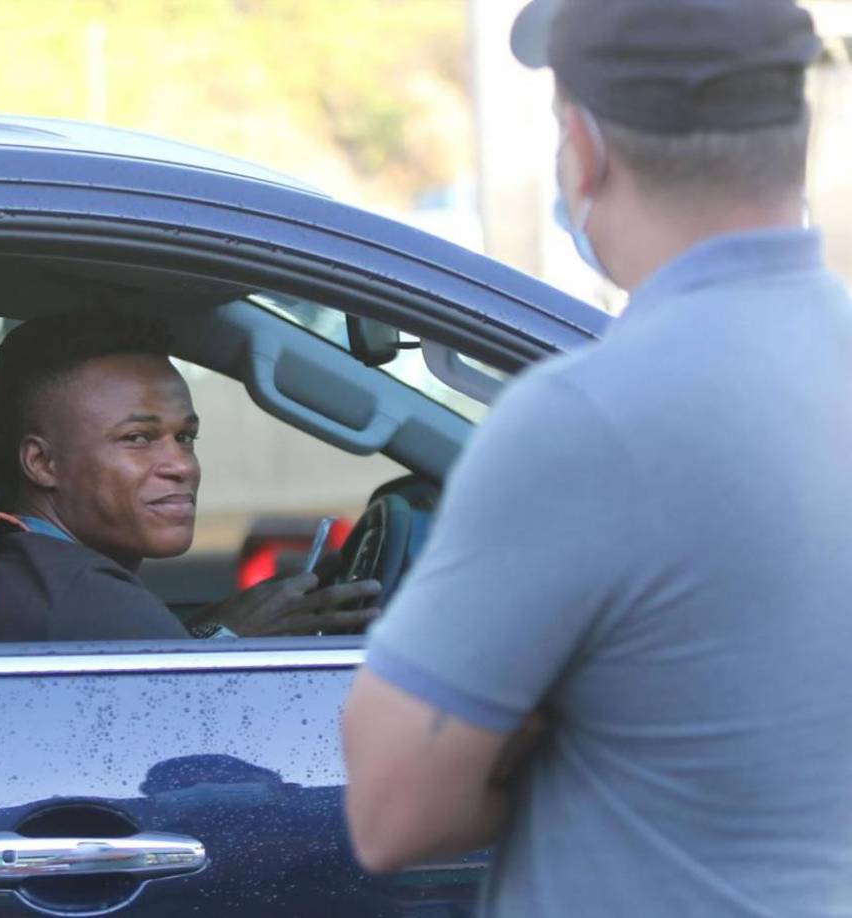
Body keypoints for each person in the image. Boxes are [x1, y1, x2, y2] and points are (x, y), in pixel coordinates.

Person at [342, 0, 852, 914]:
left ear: (581, 147)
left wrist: (541, 719)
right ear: (796, 137)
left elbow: (392, 814)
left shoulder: (584, 418)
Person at [0, 311, 381, 641]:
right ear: (41, 463)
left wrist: (215, 629)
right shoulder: (87, 600)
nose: (181, 465)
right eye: (138, 439)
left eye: (185, 437)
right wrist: (221, 636)